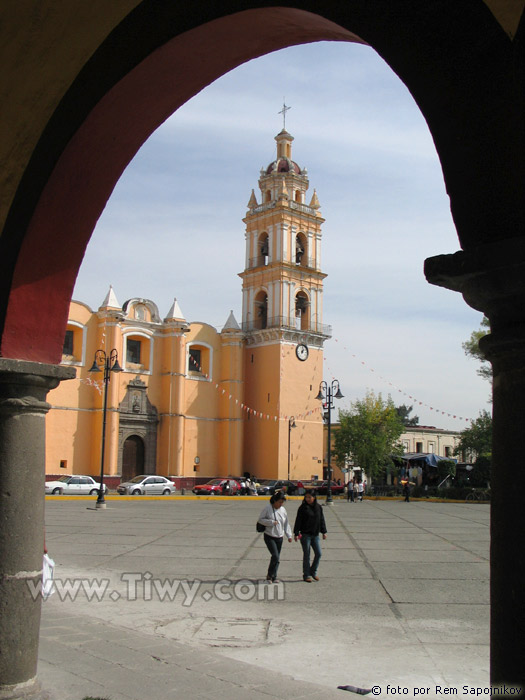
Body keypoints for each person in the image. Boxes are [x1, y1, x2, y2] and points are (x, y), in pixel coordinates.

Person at [258, 491, 292, 582]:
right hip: (269, 536)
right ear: (275, 501)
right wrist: (271, 523)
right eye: (279, 502)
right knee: (275, 556)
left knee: (277, 558)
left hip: (279, 537)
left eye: (282, 502)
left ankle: (274, 576)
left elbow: (286, 523)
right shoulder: (267, 508)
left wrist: (289, 535)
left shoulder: (283, 510)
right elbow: (260, 520)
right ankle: (269, 575)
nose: (281, 504)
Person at [293, 491, 327, 582]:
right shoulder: (303, 508)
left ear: (314, 497)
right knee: (307, 555)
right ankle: (306, 575)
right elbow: (298, 521)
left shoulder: (318, 507)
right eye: (306, 497)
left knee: (318, 553)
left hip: (315, 535)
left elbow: (321, 520)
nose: (307, 499)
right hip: (305, 535)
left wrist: (324, 532)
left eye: (309, 497)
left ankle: (313, 571)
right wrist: (296, 533)